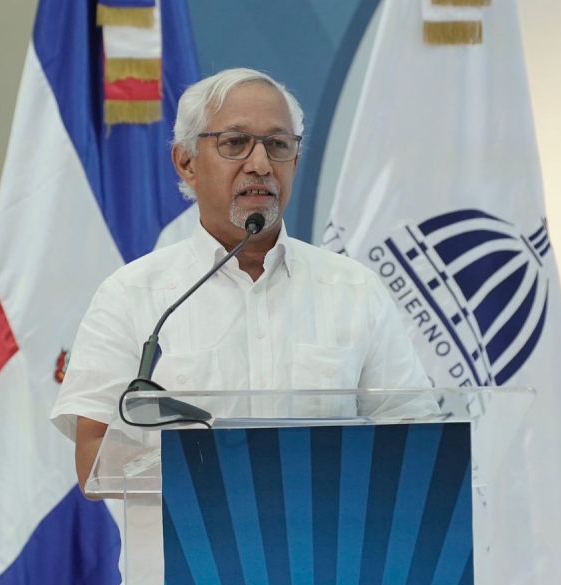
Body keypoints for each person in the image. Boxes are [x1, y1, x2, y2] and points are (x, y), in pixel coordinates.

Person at [50, 68, 430, 490]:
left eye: (279, 145)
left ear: (295, 161)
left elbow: (417, 438)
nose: (261, 165)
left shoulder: (355, 290)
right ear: (187, 162)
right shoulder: (131, 295)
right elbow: (94, 457)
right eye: (235, 143)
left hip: (328, 531)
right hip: (186, 534)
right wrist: (228, 474)